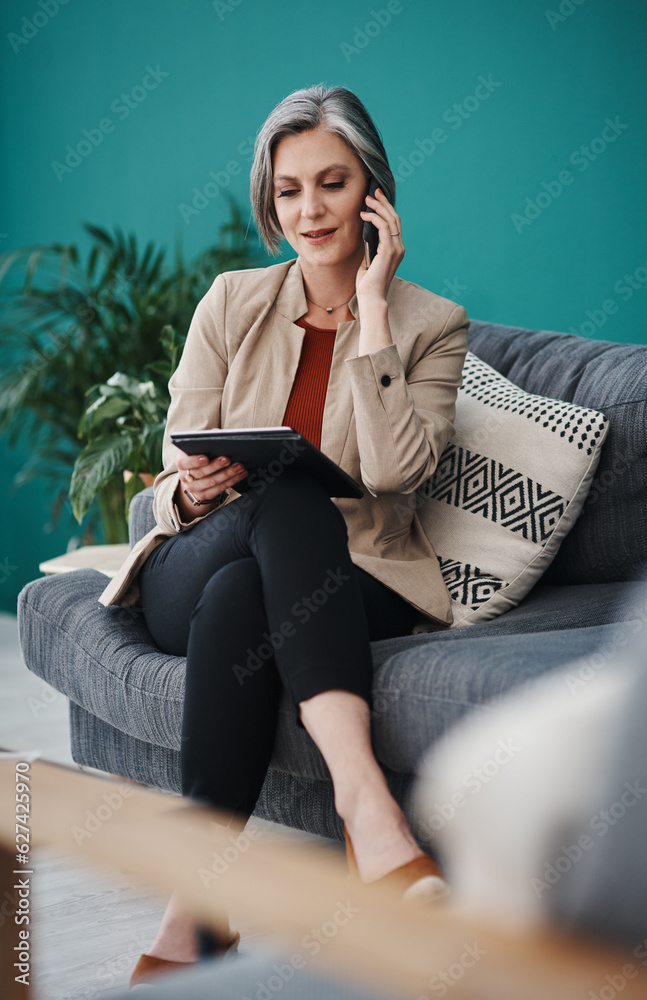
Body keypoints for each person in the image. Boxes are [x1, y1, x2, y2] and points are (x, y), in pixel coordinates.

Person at [97, 83, 469, 987]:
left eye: (332, 184)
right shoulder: (230, 302)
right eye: (290, 189)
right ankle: (367, 808)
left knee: (248, 593)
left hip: (351, 582)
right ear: (270, 200)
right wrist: (189, 489)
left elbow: (393, 475)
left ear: (371, 194)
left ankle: (197, 906)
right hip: (202, 556)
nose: (309, 209)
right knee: (282, 504)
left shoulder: (431, 326)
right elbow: (168, 477)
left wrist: (373, 313)